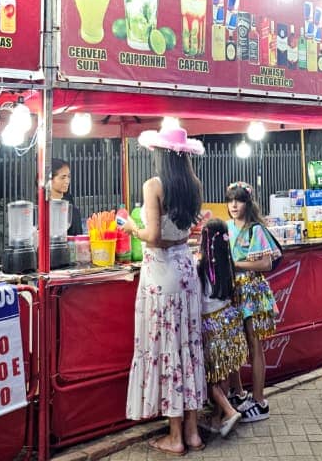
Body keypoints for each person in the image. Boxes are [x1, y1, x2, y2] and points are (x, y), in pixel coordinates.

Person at [125, 126, 207, 456]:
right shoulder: (194, 185)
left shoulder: (153, 186)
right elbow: (186, 229)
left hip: (161, 274)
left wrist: (131, 227)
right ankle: (193, 432)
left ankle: (175, 437)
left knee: (170, 348)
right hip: (186, 271)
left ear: (160, 153)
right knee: (187, 347)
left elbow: (154, 235)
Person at [225, 180, 280, 423]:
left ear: (248, 203)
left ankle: (260, 401)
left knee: (254, 345)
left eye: (239, 200)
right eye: (230, 200)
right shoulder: (226, 227)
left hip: (252, 291)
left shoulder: (255, 230)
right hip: (232, 292)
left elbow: (266, 264)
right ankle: (238, 394)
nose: (234, 205)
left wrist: (236, 264)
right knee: (236, 346)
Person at [196, 218, 246, 439]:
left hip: (211, 326)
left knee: (209, 376)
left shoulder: (201, 268)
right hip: (229, 324)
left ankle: (228, 410)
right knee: (222, 371)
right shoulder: (228, 263)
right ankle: (217, 419)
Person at [46, 159, 85, 236]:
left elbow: (78, 236)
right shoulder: (42, 207)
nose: (67, 181)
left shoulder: (73, 210)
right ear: (49, 179)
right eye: (62, 177)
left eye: (68, 177)